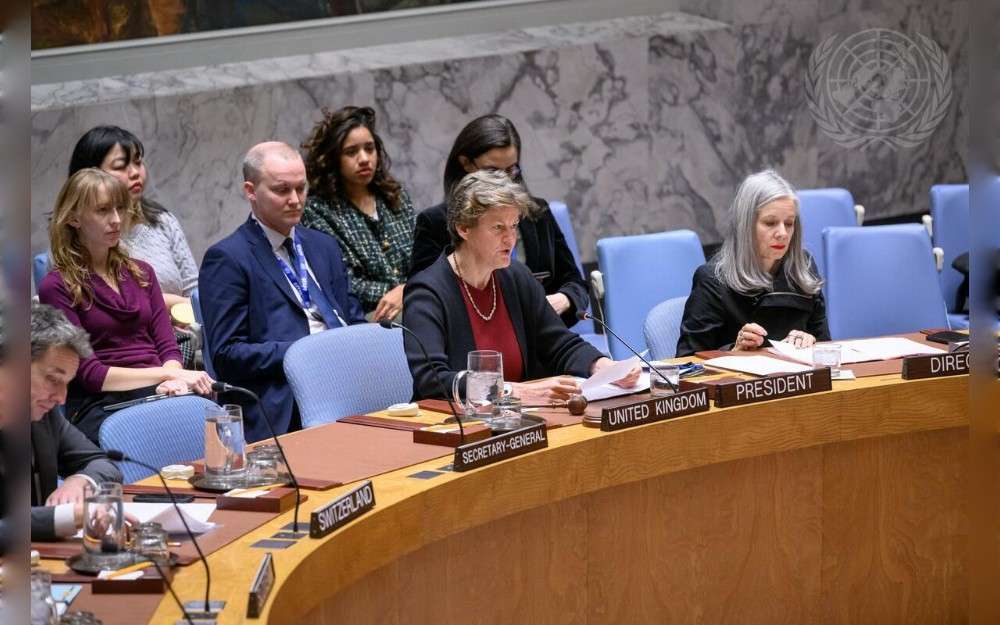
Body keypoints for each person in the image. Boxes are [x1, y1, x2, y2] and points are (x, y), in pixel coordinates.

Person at [404, 170, 638, 402]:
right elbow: (432, 380)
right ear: (463, 228)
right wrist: (512, 392)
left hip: (515, 421)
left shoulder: (516, 277)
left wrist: (603, 366)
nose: (510, 238)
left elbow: (559, 344)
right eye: (498, 228)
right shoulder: (427, 292)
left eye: (514, 225)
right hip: (453, 428)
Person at [198, 141, 366, 441]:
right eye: (281, 190)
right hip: (284, 397)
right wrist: (305, 352)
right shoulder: (228, 258)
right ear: (251, 191)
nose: (295, 200)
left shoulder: (323, 246)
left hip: (347, 380)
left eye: (301, 188)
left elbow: (352, 318)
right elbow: (226, 354)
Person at [38, 168, 214, 444]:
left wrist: (175, 380)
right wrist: (168, 373)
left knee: (220, 423)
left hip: (160, 389)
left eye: (121, 208)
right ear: (73, 218)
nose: (117, 220)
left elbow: (167, 347)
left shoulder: (143, 273)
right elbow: (91, 375)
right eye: (103, 210)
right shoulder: (56, 286)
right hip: (101, 405)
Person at [409, 114, 589, 328]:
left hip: (542, 339)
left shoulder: (538, 212)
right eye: (492, 171)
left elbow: (575, 282)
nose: (504, 181)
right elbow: (425, 298)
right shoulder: (434, 222)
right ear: (466, 163)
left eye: (511, 170)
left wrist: (563, 299)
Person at [69, 125, 200, 367]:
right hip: (122, 356)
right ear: (90, 175)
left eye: (138, 162)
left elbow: (195, 291)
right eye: (120, 166)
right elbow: (101, 310)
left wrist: (188, 312)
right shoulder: (81, 238)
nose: (135, 173)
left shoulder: (162, 220)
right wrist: (171, 304)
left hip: (182, 341)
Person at [676, 170, 830, 357]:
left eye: (789, 223)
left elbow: (827, 349)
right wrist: (733, 352)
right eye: (770, 223)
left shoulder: (804, 269)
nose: (782, 233)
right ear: (746, 225)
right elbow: (686, 362)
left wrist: (811, 342)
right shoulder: (712, 279)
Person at [301, 106, 415, 321]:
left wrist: (408, 289)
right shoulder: (317, 210)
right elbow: (344, 281)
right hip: (364, 315)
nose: (364, 159)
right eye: (351, 152)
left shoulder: (395, 196)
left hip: (413, 299)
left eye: (369, 149)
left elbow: (423, 257)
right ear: (333, 158)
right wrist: (404, 290)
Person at [29, 303, 123, 541]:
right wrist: (67, 517)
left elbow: (102, 463)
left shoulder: (44, 415)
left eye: (67, 383)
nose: (61, 398)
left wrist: (81, 480)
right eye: (53, 379)